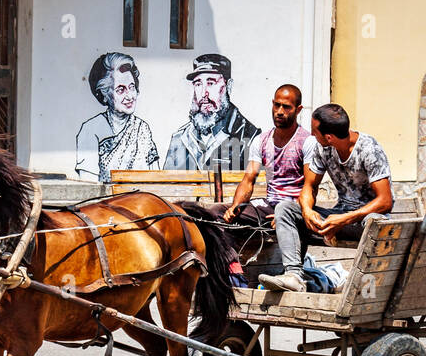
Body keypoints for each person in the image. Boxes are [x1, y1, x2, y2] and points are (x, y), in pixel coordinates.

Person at [258, 103, 394, 292]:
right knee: (285, 209)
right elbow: (310, 185)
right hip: (339, 215)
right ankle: (293, 276)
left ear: (328, 137)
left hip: (366, 219)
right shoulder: (323, 148)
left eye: (315, 131)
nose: (312, 135)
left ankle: (370, 288)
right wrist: (306, 211)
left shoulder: (369, 149)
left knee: (376, 223)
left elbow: (385, 202)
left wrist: (344, 219)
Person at [205, 84, 315, 228]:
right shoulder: (261, 140)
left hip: (295, 208)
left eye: (286, 107)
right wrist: (235, 207)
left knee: (284, 219)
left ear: (298, 110)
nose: (280, 111)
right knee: (216, 212)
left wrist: (290, 214)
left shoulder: (307, 141)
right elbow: (248, 181)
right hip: (269, 207)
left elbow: (311, 187)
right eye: (277, 105)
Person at [163, 54, 261, 171]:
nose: (204, 93)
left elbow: (258, 185)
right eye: (198, 84)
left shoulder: (249, 137)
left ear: (228, 86)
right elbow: (166, 185)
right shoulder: (180, 138)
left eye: (211, 83)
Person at [75, 53, 159, 182]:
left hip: (141, 200)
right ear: (104, 94)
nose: (130, 96)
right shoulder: (90, 130)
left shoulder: (142, 129)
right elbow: (88, 186)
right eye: (120, 89)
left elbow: (155, 179)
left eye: (132, 87)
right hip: (104, 201)